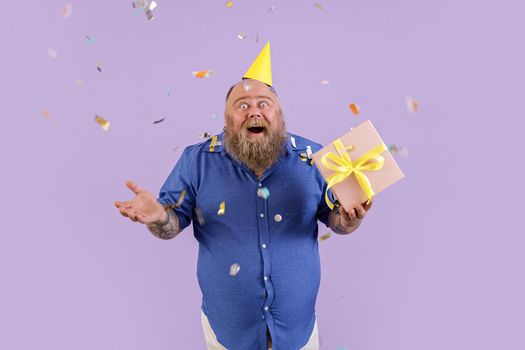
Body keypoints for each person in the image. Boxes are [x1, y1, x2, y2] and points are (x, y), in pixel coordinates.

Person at [114, 43, 372, 350]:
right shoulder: (196, 161)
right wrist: (158, 217)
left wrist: (347, 220)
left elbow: (336, 220)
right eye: (242, 105)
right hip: (228, 334)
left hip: (297, 331)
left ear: (279, 115)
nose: (254, 111)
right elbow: (169, 225)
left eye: (264, 103)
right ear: (226, 118)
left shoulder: (314, 157)